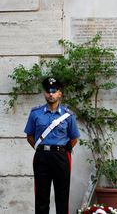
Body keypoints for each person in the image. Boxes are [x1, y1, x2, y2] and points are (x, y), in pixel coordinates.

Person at [24, 77, 80, 214]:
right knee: (41, 195)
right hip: (42, 156)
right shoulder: (35, 113)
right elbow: (29, 136)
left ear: (60, 93)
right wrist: (42, 148)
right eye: (48, 91)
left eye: (54, 91)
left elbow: (74, 138)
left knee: (62, 194)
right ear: (44, 93)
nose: (51, 94)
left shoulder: (68, 115)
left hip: (61, 157)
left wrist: (61, 149)